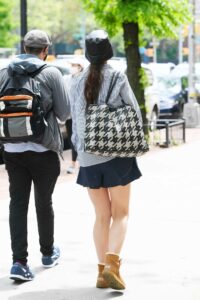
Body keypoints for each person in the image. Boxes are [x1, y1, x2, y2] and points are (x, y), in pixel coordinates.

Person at [69, 29, 142, 290]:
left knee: (101, 215)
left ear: (87, 54)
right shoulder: (118, 76)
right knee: (121, 214)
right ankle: (113, 266)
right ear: (109, 51)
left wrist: (79, 152)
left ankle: (101, 273)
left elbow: (74, 121)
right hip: (116, 153)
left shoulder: (75, 80)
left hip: (88, 156)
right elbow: (134, 113)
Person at [0, 29, 70, 281]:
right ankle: (48, 253)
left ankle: (19, 262)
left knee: (17, 203)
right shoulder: (51, 73)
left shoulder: (3, 73)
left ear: (24, 47)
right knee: (44, 201)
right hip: (44, 149)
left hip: (12, 150)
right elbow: (64, 113)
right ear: (46, 50)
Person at [63, 57, 84, 174]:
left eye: (74, 65)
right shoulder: (66, 79)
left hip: (81, 115)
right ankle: (72, 162)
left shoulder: (85, 79)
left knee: (81, 138)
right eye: (71, 65)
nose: (72, 67)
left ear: (80, 67)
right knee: (72, 138)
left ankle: (81, 163)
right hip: (70, 115)